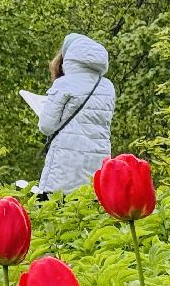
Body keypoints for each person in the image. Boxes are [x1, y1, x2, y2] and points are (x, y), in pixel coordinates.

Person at [33, 33, 116, 195]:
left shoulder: (64, 83)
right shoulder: (108, 87)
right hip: (98, 166)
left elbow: (47, 127)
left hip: (64, 168)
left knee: (57, 212)